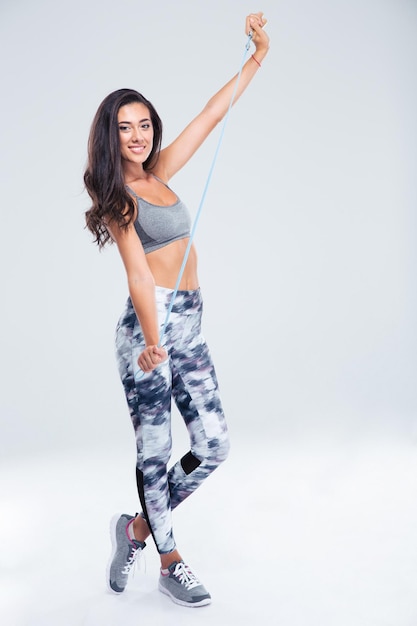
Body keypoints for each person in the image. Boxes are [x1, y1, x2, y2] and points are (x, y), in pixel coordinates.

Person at [83, 11, 269, 608]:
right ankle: (169, 559)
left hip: (189, 321)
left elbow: (213, 115)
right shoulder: (116, 195)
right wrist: (151, 333)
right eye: (123, 128)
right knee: (156, 450)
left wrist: (257, 57)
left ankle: (135, 528)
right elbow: (138, 269)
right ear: (108, 138)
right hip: (148, 329)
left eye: (143, 125)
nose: (136, 137)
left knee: (213, 444)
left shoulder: (160, 173)